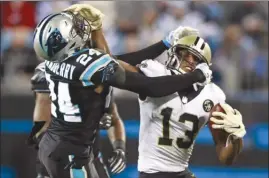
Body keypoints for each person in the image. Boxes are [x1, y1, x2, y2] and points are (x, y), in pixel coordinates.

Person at [33, 10, 212, 178]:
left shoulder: (53, 62)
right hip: (72, 154)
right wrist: (196, 75)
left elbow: (114, 62)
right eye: (75, 30)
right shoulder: (88, 65)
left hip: (55, 144)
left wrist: (165, 43)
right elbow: (150, 87)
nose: (81, 31)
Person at [122, 35, 246, 178]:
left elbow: (225, 159)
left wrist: (236, 137)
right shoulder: (156, 73)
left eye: (196, 58)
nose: (190, 61)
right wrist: (163, 44)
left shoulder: (213, 95)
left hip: (182, 172)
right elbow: (114, 64)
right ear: (174, 53)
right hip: (152, 173)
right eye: (184, 54)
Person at [27, 62, 126, 178]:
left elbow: (113, 117)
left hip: (91, 157)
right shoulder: (49, 70)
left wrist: (119, 148)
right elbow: (41, 128)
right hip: (60, 157)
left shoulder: (98, 68)